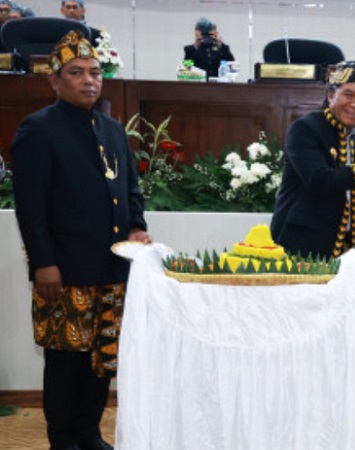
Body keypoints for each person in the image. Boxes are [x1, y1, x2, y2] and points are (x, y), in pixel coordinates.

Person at [10, 30, 150, 450]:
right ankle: (64, 440)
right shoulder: (37, 130)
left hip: (111, 269)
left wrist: (136, 227)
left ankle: (88, 435)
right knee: (66, 362)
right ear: (54, 81)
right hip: (65, 270)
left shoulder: (111, 129)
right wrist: (43, 263)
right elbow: (29, 208)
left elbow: (130, 191)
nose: (89, 80)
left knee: (102, 360)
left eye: (94, 72)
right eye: (76, 73)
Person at [271, 61, 355, 258]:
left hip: (348, 250)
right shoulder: (305, 129)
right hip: (301, 248)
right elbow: (319, 181)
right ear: (330, 95)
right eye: (348, 94)